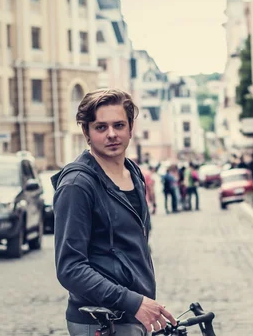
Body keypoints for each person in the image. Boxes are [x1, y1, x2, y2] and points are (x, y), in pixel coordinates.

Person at [52, 88, 177, 336]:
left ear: (131, 128)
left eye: (119, 125)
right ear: (86, 132)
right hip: (98, 319)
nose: (112, 134)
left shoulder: (134, 173)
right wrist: (133, 301)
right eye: (100, 127)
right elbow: (70, 268)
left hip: (133, 315)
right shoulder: (77, 185)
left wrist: (139, 302)